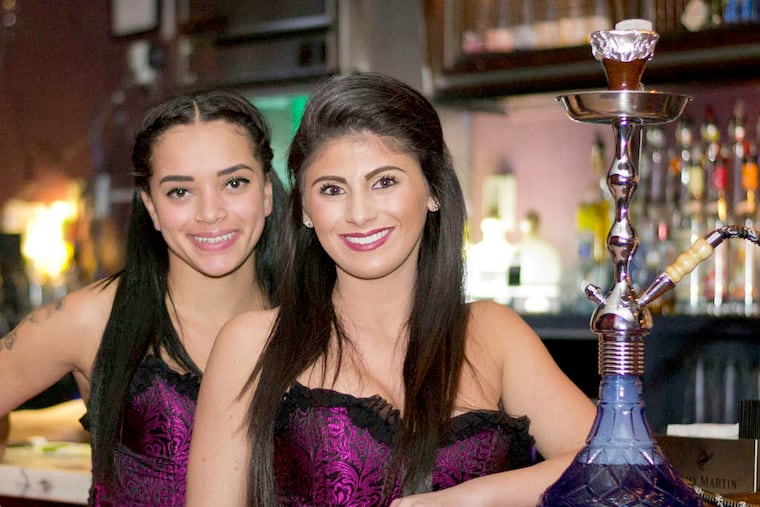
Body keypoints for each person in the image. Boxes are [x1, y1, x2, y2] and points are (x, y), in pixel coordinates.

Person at [186, 73, 595, 507]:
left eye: (384, 182)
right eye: (332, 189)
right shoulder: (253, 345)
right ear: (305, 209)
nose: (360, 213)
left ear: (433, 190)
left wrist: (472, 498)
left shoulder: (493, 333)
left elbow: (619, 467)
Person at [0, 88, 287, 506]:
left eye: (234, 183)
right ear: (151, 207)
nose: (210, 212)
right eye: (180, 192)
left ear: (266, 193)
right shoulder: (95, 319)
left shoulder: (312, 321)